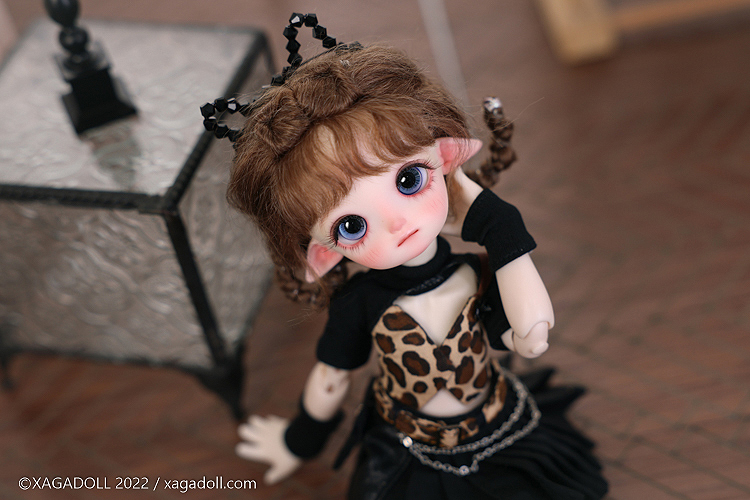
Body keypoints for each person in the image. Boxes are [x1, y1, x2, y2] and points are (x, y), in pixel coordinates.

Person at [206, 17, 608, 499]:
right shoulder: (358, 303)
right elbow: (331, 379)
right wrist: (298, 443)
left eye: (409, 179)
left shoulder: (474, 273)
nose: (397, 223)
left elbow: (530, 335)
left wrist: (498, 225)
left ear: (446, 158)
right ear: (322, 251)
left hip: (497, 427)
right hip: (410, 447)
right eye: (351, 226)